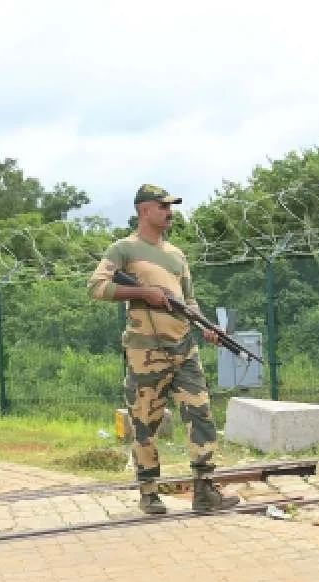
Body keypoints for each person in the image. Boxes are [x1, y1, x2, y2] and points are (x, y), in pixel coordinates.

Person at [88, 183, 238, 515]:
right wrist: (143, 294)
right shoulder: (123, 250)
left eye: (170, 207)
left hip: (184, 348)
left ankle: (205, 489)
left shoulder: (176, 255)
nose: (169, 212)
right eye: (162, 206)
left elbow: (189, 301)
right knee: (145, 423)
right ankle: (149, 493)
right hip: (145, 352)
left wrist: (206, 328)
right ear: (143, 211)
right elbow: (97, 286)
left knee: (201, 415)